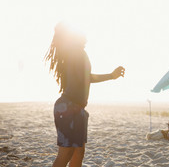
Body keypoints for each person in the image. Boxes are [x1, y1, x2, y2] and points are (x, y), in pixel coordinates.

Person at [45, 23, 125, 167]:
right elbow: (87, 78)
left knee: (78, 152)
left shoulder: (77, 52)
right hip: (68, 107)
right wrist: (111, 76)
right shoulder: (76, 52)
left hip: (76, 107)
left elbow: (85, 78)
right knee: (66, 153)